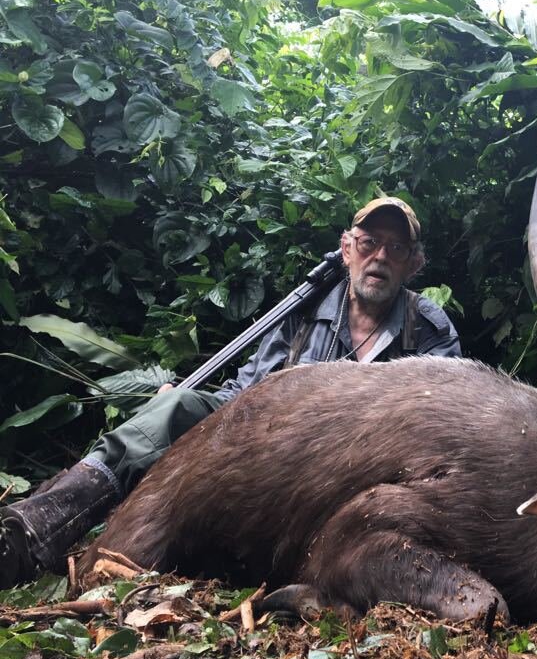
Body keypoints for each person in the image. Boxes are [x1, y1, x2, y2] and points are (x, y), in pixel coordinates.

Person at [0, 197, 460, 587]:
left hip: (362, 478)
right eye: (369, 242)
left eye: (396, 247)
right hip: (274, 461)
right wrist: (179, 406)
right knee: (175, 406)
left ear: (412, 264)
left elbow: (440, 429)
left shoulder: (430, 329)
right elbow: (244, 397)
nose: (380, 255)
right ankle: (34, 529)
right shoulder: (302, 313)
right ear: (347, 249)